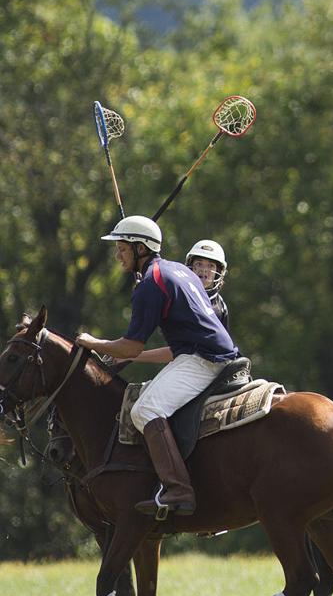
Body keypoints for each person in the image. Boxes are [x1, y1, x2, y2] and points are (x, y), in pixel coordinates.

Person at [75, 216, 240, 516]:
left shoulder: (152, 282)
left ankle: (178, 489)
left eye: (122, 248)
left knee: (144, 410)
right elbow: (159, 350)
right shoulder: (173, 270)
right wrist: (128, 354)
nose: (117, 255)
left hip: (203, 361)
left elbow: (131, 346)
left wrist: (92, 342)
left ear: (140, 248)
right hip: (204, 356)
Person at [120, 239, 231, 365]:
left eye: (210, 266)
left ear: (219, 272)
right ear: (190, 266)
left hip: (203, 366)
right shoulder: (178, 294)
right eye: (199, 264)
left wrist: (130, 355)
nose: (204, 270)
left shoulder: (218, 307)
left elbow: (180, 352)